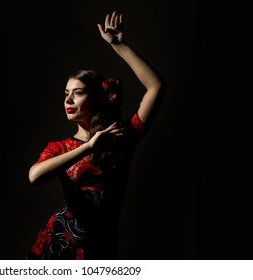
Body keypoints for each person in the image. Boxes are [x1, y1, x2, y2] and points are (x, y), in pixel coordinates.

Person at [26, 11, 163, 260]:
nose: (68, 99)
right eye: (66, 93)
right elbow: (35, 176)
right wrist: (88, 147)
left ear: (97, 98)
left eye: (77, 93)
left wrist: (118, 46)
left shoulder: (121, 137)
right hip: (58, 246)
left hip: (100, 248)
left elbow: (156, 87)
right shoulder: (60, 147)